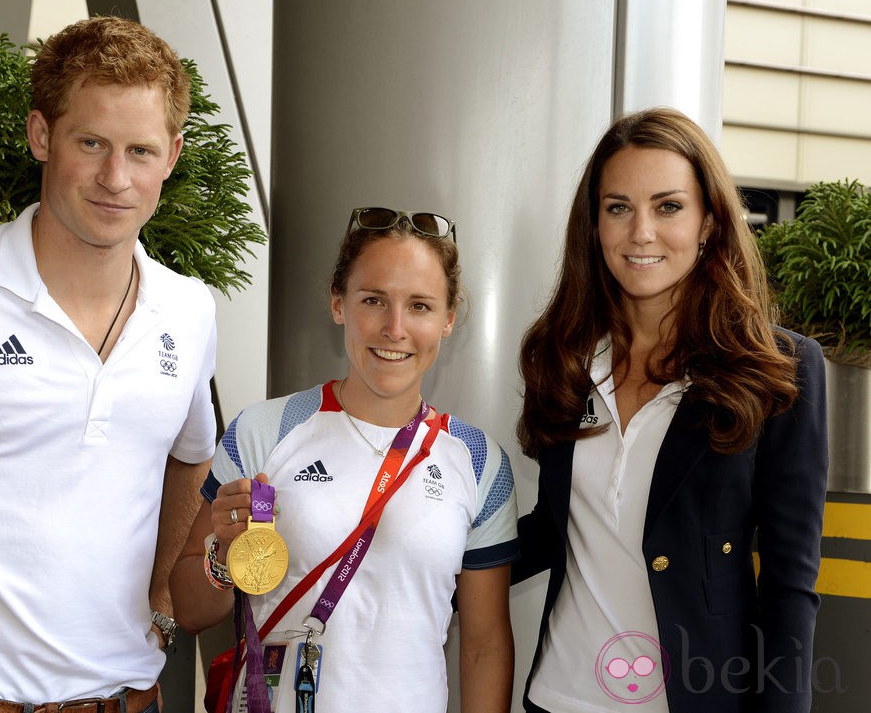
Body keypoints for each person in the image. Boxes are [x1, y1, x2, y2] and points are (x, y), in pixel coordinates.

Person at [0, 16, 217, 713]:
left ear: (173, 155)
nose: (115, 178)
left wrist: (161, 599)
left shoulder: (189, 310)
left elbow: (190, 457)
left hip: (127, 701)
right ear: (42, 135)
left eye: (140, 150)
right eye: (91, 142)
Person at [512, 107, 828, 713]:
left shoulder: (780, 369)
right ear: (595, 225)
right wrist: (410, 566)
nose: (641, 233)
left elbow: (791, 585)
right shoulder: (563, 357)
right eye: (618, 208)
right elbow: (555, 532)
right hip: (560, 697)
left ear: (709, 221)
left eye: (668, 206)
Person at [171, 207, 519, 713]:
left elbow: (485, 647)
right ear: (338, 303)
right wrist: (221, 553)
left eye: (419, 306)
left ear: (448, 320)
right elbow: (189, 609)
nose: (394, 328)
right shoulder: (262, 431)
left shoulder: (479, 461)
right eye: (373, 300)